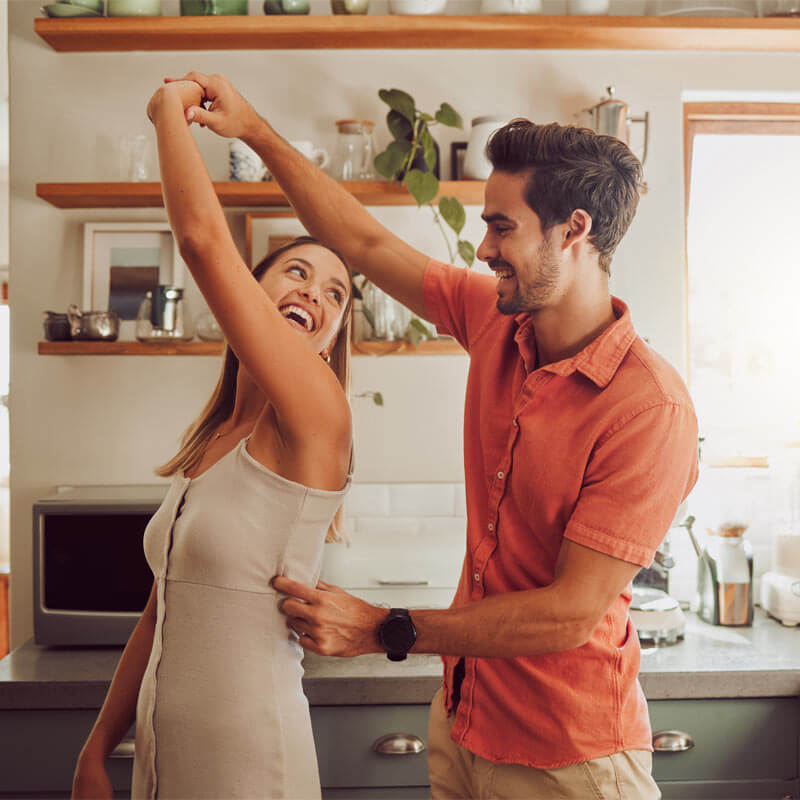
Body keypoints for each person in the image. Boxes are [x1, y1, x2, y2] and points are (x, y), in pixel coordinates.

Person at [172, 72, 698, 799]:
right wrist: (256, 131)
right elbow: (359, 239)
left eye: (502, 228)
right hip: (463, 725)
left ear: (573, 231)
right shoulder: (497, 320)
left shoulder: (649, 408)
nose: (483, 248)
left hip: (571, 758)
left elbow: (570, 613)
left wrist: (384, 628)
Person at [71, 80, 354, 800]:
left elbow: (200, 240)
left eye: (336, 294)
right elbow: (162, 610)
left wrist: (168, 108)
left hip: (251, 764)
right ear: (250, 295)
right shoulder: (214, 443)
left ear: (330, 340)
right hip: (163, 759)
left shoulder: (316, 415)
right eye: (297, 272)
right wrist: (98, 748)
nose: (315, 294)